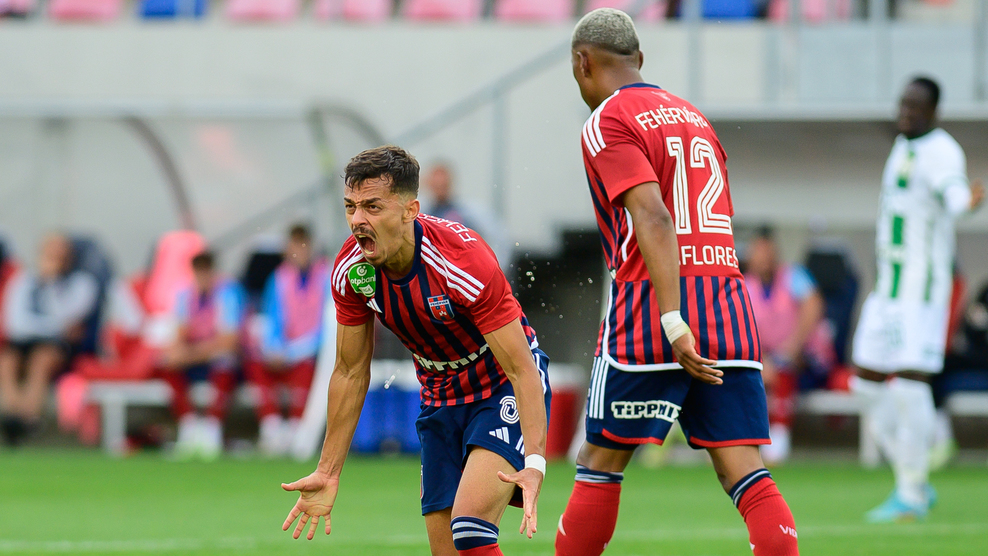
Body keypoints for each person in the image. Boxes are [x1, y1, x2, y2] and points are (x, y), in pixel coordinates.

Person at [556, 9, 798, 556]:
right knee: (742, 467)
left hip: (653, 306)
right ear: (640, 59)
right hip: (727, 304)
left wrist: (671, 319)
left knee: (599, 461)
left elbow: (655, 216)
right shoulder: (694, 117)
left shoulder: (608, 119)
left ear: (582, 62)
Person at [280, 146, 551, 556]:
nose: (357, 220)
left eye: (373, 206)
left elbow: (521, 368)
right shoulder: (351, 272)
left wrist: (535, 463)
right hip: (440, 394)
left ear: (410, 210)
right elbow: (350, 372)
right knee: (446, 552)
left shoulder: (461, 260)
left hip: (499, 385)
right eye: (351, 207)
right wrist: (328, 471)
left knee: (470, 531)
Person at [849, 76, 985, 522]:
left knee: (909, 383)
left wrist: (969, 201)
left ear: (933, 112)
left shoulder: (942, 150)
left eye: (915, 107)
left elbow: (956, 198)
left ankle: (911, 488)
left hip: (920, 290)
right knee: (864, 382)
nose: (905, 113)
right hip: (888, 287)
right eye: (903, 105)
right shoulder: (902, 146)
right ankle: (915, 472)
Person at [744, 226, 834, 465]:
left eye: (768, 252)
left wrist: (792, 347)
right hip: (764, 360)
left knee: (783, 368)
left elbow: (813, 305)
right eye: (758, 253)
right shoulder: (745, 285)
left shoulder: (794, 276)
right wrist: (762, 359)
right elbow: (740, 326)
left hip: (805, 358)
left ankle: (779, 436)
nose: (764, 258)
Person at [0, 233, 98, 446]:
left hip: (59, 348)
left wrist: (50, 284)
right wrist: (53, 327)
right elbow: (15, 324)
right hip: (23, 342)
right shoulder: (23, 281)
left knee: (41, 360)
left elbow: (66, 319)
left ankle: (27, 418)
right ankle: (12, 417)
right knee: (6, 362)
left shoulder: (82, 283)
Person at [248, 223, 329, 457]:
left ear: (311, 247)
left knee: (305, 368)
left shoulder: (326, 276)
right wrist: (273, 348)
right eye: (295, 246)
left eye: (303, 246)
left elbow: (327, 325)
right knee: (256, 363)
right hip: (284, 351)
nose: (299, 251)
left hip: (312, 351)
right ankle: (272, 426)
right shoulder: (279, 278)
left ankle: (297, 427)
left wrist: (293, 352)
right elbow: (272, 318)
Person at [159, 251, 243, 460]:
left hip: (214, 356)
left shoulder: (228, 293)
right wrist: (179, 352)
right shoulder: (185, 294)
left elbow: (228, 341)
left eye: (206, 272)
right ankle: (187, 425)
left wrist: (191, 353)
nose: (203, 277)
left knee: (225, 361)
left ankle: (213, 427)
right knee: (167, 364)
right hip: (198, 356)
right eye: (199, 272)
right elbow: (180, 333)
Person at [422, 162, 512, 272]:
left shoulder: (470, 212)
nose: (440, 189)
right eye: (436, 185)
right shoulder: (421, 213)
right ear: (429, 184)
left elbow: (499, 237)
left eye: (443, 185)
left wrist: (495, 270)